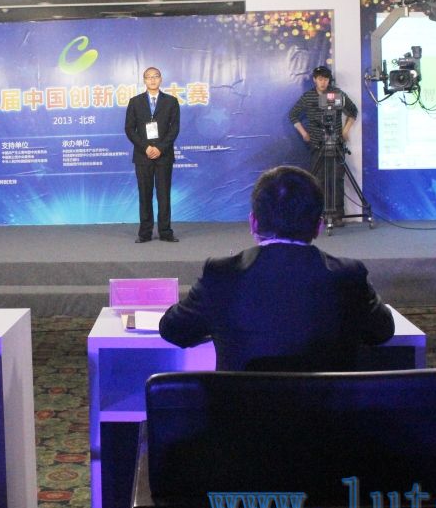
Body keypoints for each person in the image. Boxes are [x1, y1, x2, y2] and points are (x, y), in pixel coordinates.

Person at [159, 165, 394, 371]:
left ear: (253, 222)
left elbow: (173, 330)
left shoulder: (221, 275)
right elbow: (382, 331)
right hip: (329, 409)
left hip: (239, 409)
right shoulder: (349, 276)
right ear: (319, 226)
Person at [288, 65, 357, 225]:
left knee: (337, 179)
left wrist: (345, 130)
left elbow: (353, 111)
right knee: (318, 180)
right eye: (320, 79)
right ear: (314, 80)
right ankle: (320, 214)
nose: (323, 82)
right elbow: (293, 115)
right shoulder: (308, 97)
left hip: (336, 142)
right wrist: (304, 133)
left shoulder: (337, 94)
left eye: (326, 79)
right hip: (317, 144)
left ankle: (338, 215)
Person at [125, 66, 180, 243]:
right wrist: (146, 148)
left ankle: (165, 232)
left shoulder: (171, 101)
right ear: (144, 80)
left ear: (161, 79)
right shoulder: (135, 102)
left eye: (156, 76)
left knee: (164, 195)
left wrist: (160, 148)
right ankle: (145, 233)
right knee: (145, 195)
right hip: (143, 156)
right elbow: (129, 129)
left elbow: (174, 129)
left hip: (164, 156)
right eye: (149, 77)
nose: (152, 80)